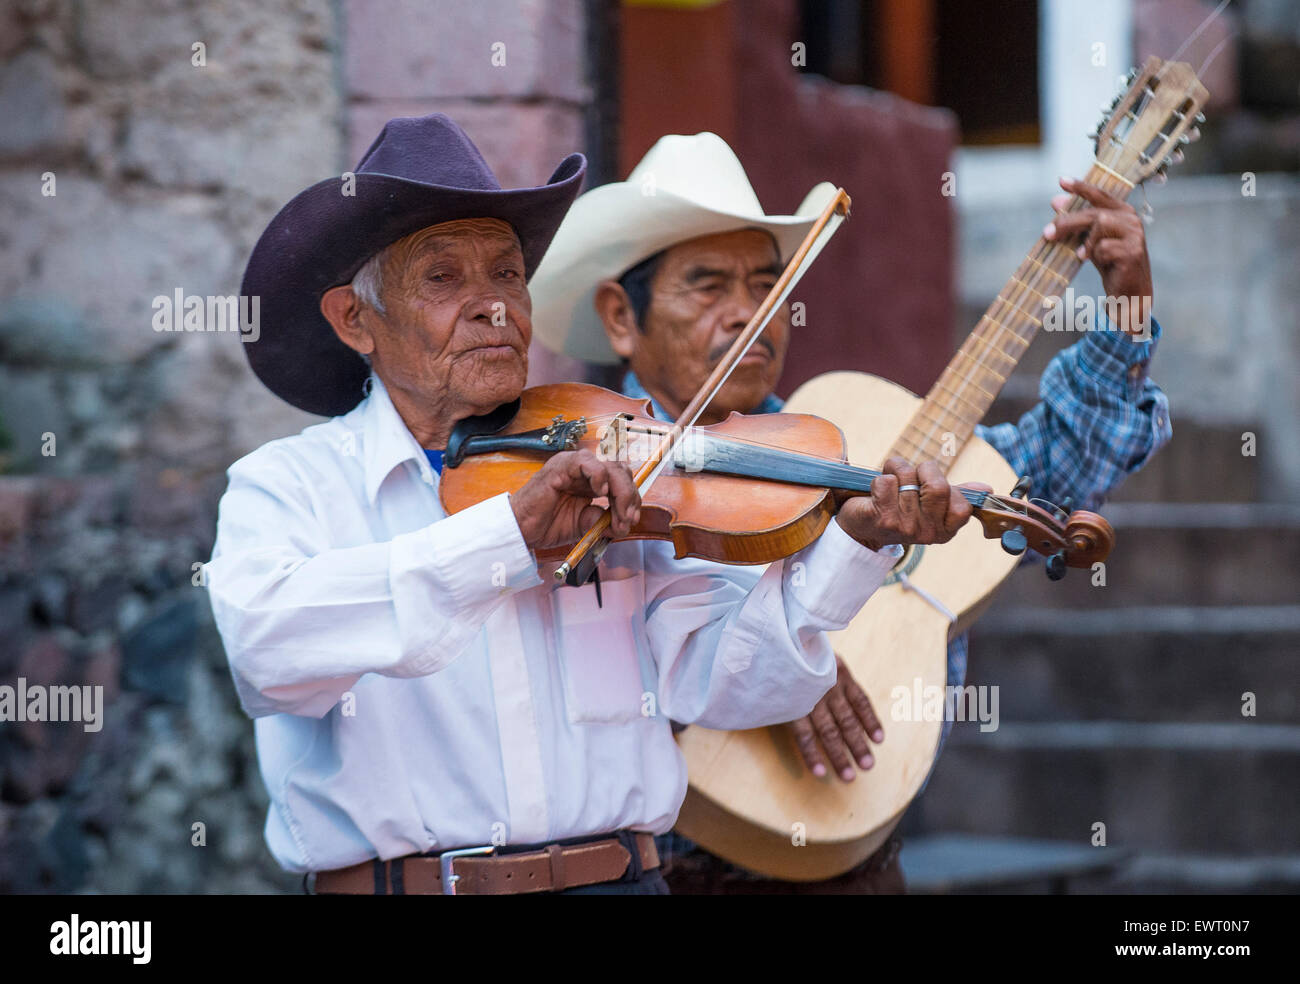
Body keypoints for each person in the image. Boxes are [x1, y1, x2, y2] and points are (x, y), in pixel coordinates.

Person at [204, 114, 976, 896]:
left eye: (507, 275)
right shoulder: (290, 486)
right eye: (444, 278)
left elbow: (727, 683)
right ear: (353, 320)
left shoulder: (609, 473)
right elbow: (267, 652)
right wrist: (506, 540)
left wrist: (851, 546)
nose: (494, 306)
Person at [527, 132, 1172, 893]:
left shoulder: (850, 441)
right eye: (707, 286)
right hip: (656, 873)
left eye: (766, 285)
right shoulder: (573, 487)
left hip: (858, 869)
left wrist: (1126, 306)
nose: (746, 315)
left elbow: (1060, 457)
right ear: (620, 318)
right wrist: (783, 662)